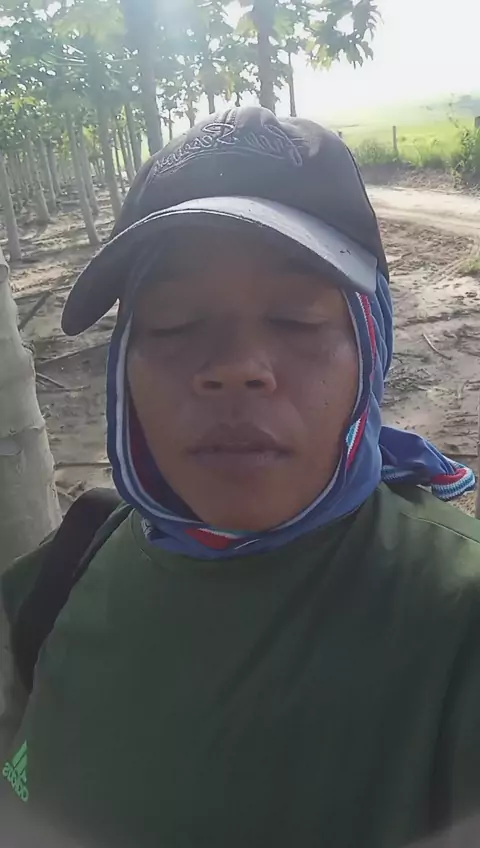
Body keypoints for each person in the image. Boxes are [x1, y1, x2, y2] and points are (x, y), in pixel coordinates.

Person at [1, 106, 480, 848]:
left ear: (372, 344)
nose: (233, 368)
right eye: (173, 322)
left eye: (295, 319)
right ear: (124, 363)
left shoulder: (458, 631)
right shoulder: (56, 581)